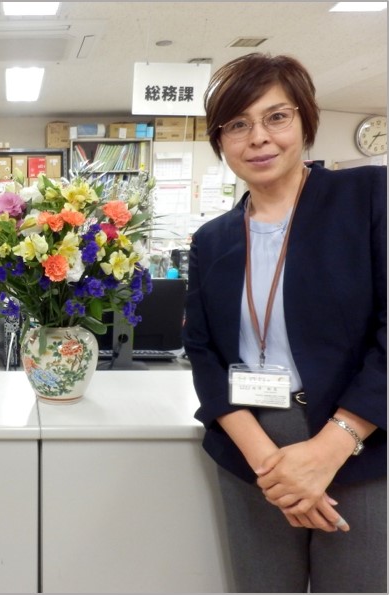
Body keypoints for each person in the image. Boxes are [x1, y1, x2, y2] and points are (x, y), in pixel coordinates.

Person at [183, 52, 386, 592]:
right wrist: (267, 464)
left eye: (277, 116)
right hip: (251, 445)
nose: (259, 138)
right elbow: (203, 354)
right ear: (221, 141)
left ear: (305, 120)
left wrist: (329, 448)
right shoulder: (211, 240)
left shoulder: (367, 197)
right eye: (238, 124)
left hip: (357, 440)